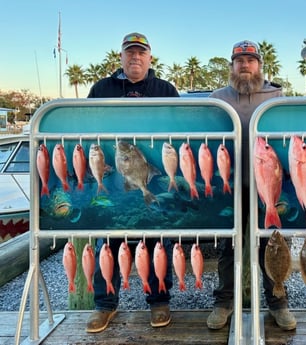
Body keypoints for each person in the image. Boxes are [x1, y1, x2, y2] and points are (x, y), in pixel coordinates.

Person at [85, 32, 179, 333]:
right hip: (114, 178)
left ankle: (159, 300)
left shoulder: (165, 89)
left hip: (151, 169)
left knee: (156, 238)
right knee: (107, 240)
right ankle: (104, 305)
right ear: (121, 57)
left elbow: (179, 128)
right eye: (130, 52)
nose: (135, 57)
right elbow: (88, 128)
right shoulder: (102, 88)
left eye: (141, 52)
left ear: (150, 57)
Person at [207, 40, 297, 331]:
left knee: (273, 244)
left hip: (269, 187)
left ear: (260, 65)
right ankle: (224, 302)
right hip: (230, 188)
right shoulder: (216, 98)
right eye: (239, 60)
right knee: (227, 245)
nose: (244, 65)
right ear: (232, 65)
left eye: (250, 60)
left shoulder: (277, 96)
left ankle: (278, 302)